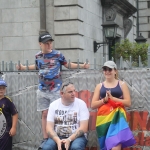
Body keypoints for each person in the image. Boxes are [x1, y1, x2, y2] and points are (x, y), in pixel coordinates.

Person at [16, 31, 89, 149]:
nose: (49, 45)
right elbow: (36, 66)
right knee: (44, 114)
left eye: (50, 43)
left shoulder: (57, 54)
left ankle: (62, 136)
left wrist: (82, 65)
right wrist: (23, 67)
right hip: (42, 89)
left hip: (55, 89)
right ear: (40, 44)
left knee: (58, 113)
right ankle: (45, 138)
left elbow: (67, 64)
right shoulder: (38, 56)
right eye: (46, 43)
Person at [91, 61, 135, 150]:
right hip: (104, 119)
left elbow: (128, 103)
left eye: (110, 69)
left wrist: (113, 99)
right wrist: (104, 100)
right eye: (105, 69)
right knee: (106, 146)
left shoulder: (122, 84)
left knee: (116, 145)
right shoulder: (99, 86)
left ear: (115, 71)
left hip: (117, 118)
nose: (107, 71)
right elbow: (93, 105)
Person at [42, 82, 89, 150]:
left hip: (77, 137)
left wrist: (69, 139)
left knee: (76, 148)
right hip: (57, 136)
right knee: (47, 148)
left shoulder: (81, 104)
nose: (73, 94)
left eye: (74, 91)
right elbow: (49, 127)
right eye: (70, 92)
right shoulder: (53, 105)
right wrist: (57, 140)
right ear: (62, 94)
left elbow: (84, 128)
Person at [0, 79, 18, 150]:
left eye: (3, 88)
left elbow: (15, 114)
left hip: (6, 132)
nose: (1, 90)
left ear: (5, 90)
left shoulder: (8, 101)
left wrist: (13, 127)